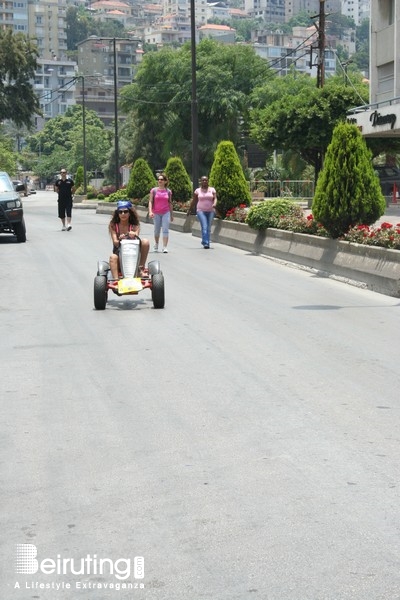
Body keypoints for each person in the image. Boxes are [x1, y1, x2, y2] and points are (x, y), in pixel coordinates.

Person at [109, 201, 150, 279]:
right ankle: (116, 280)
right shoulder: (113, 225)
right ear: (117, 213)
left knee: (145, 241)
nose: (123, 214)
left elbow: (137, 236)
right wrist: (120, 239)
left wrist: (133, 234)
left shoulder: (135, 225)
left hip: (133, 253)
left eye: (125, 211)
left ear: (130, 212)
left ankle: (140, 269)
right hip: (119, 253)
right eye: (120, 212)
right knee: (112, 257)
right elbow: (115, 242)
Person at [148, 173, 174, 253]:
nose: (160, 181)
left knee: (165, 229)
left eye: (162, 179)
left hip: (166, 212)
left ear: (165, 181)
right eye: (159, 179)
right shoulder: (154, 190)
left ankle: (165, 247)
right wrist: (150, 211)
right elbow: (150, 201)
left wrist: (171, 214)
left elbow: (170, 203)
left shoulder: (168, 191)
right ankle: (156, 244)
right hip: (156, 213)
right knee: (156, 230)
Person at [191, 176, 217, 249]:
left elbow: (215, 198)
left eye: (206, 180)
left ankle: (205, 241)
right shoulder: (197, 190)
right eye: (203, 180)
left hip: (211, 211)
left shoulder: (212, 190)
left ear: (208, 181)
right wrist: (189, 210)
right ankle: (206, 243)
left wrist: (214, 204)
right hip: (200, 211)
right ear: (201, 181)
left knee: (208, 227)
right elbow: (194, 201)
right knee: (204, 226)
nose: (204, 181)